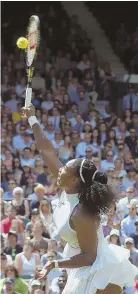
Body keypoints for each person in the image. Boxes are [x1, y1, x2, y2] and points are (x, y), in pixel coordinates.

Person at [21, 104, 138, 293]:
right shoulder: (68, 185)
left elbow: (90, 256)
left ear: (75, 180)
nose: (60, 170)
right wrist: (33, 119)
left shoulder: (82, 213)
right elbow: (46, 150)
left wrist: (54, 264)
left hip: (99, 272)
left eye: (65, 169)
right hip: (80, 267)